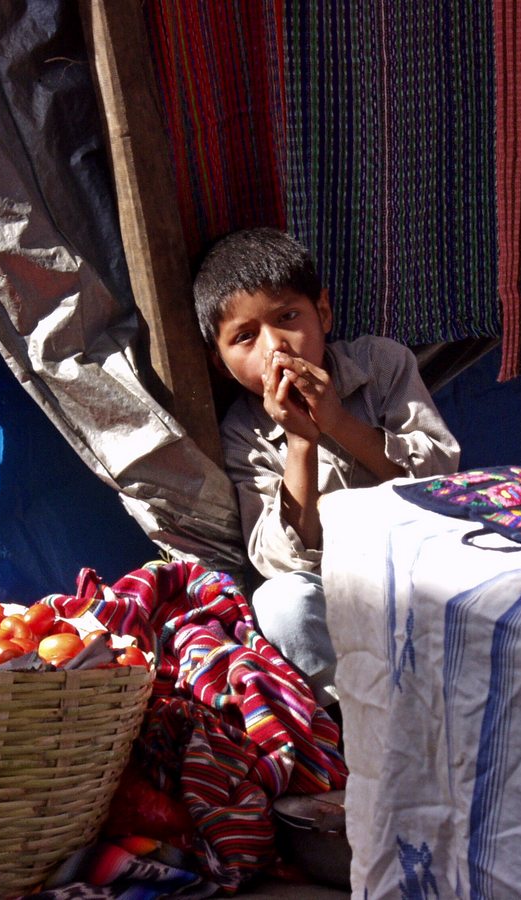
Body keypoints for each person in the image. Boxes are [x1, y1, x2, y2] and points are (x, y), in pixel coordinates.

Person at [192, 227, 460, 709]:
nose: (276, 348)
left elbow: (440, 475)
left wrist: (336, 421)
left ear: (325, 311)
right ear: (220, 362)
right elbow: (277, 561)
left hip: (422, 569)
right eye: (245, 338)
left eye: (288, 317)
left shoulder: (381, 365)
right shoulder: (241, 432)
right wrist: (300, 442)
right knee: (282, 603)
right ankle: (358, 721)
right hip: (335, 594)